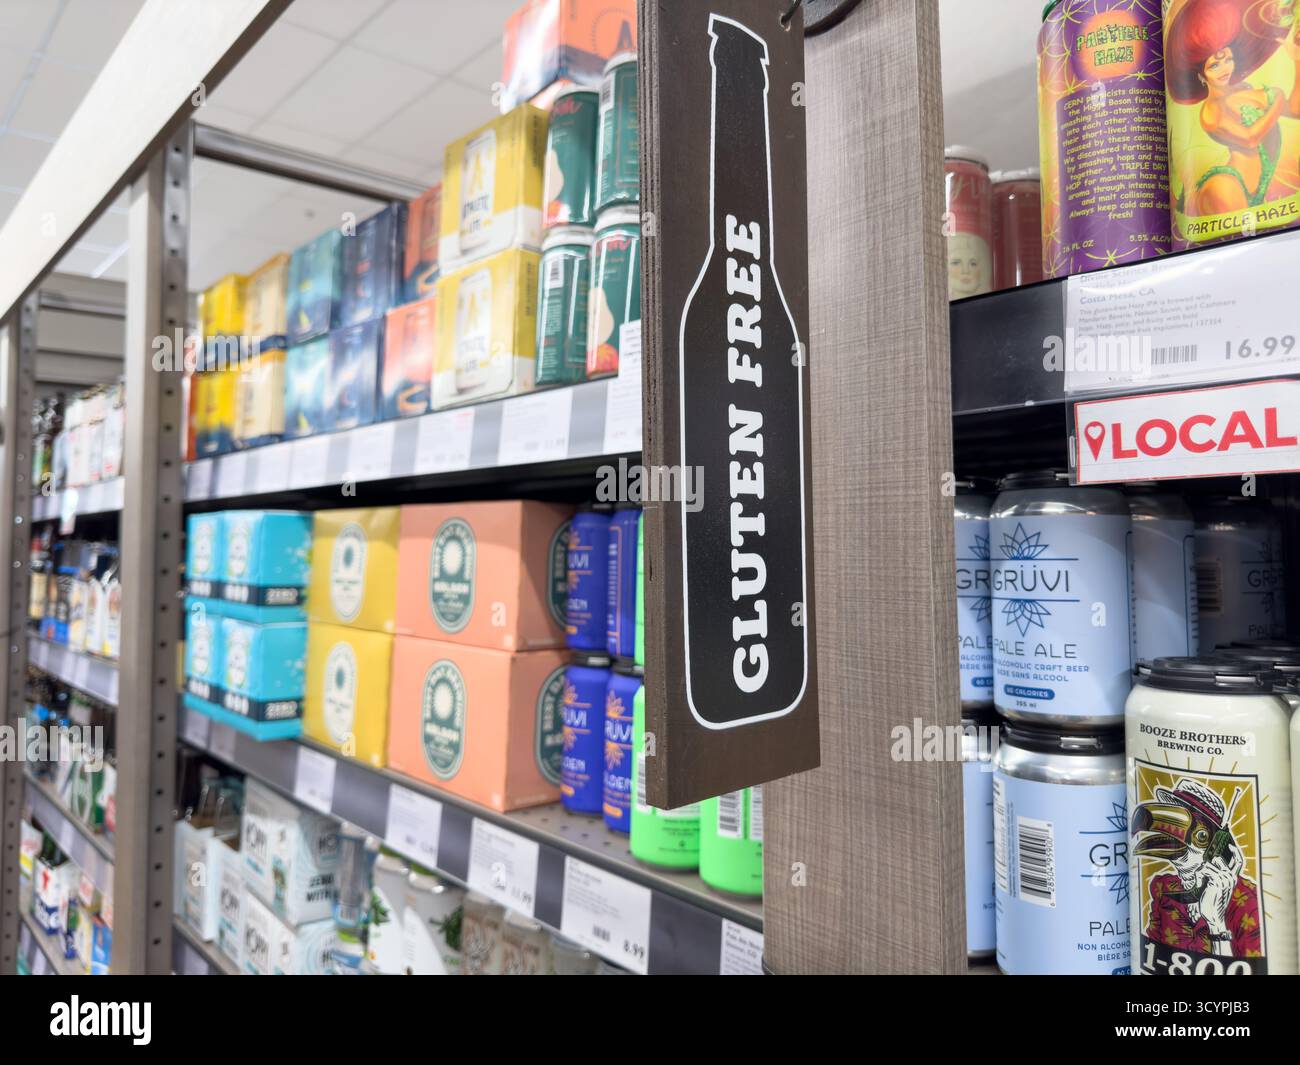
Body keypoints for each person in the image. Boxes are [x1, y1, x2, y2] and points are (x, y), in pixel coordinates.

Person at [1165, 0, 1300, 214]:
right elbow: (1250, 138)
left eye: (1227, 59)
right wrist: (1277, 101)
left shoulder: (1244, 89)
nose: (1224, 68)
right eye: (1214, 65)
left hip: (1260, 190)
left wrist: (1296, 59)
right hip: (1228, 186)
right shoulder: (1211, 112)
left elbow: (1295, 109)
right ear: (1201, 75)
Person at [1131, 778, 1262, 959]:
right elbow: (1151, 954)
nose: (1173, 837)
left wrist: (1216, 925)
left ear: (1217, 847)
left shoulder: (1247, 901)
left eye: (1200, 835)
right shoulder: (1163, 888)